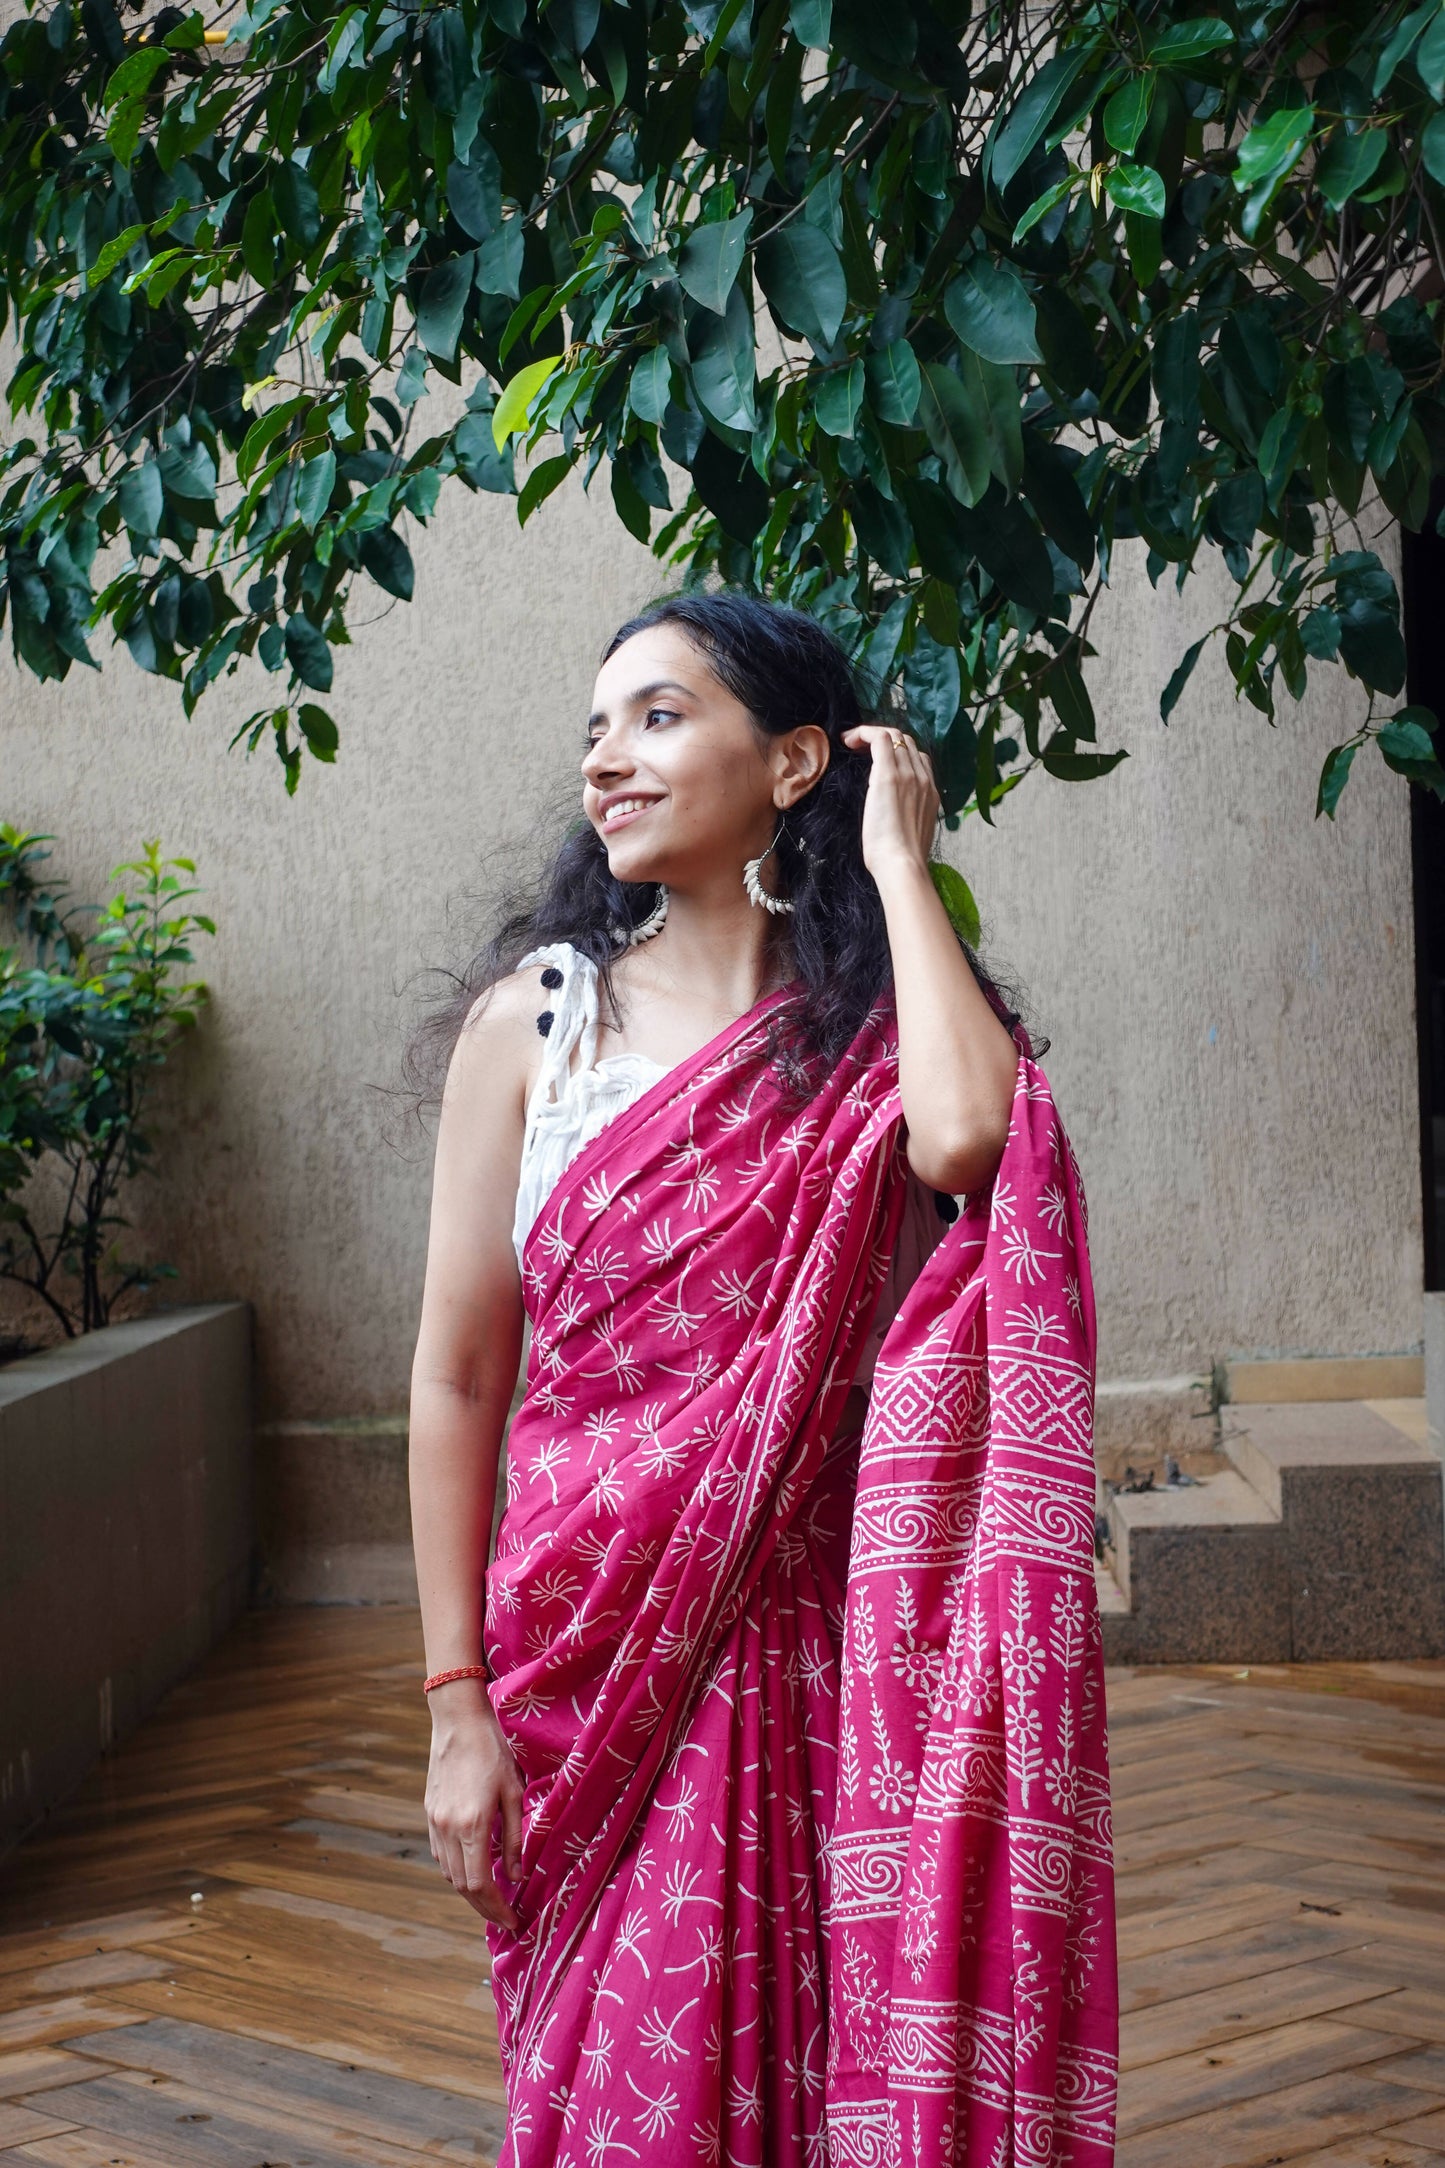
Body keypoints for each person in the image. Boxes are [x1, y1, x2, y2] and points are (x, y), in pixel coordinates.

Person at [406, 593, 1117, 2168]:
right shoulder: (538, 1025)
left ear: (794, 760)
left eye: (658, 716)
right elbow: (459, 1376)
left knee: (821, 2080)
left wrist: (892, 869)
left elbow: (968, 1143)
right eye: (595, 728)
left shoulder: (877, 1028)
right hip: (586, 1661)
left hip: (824, 1659)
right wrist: (456, 1708)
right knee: (625, 2096)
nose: (606, 760)